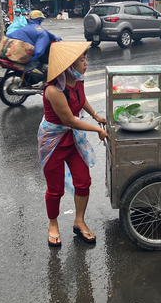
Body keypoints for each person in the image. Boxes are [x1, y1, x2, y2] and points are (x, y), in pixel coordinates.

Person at [37, 41, 108, 247]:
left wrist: (96, 115)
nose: (86, 63)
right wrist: (98, 130)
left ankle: (79, 221)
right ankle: (53, 224)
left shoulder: (77, 80)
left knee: (83, 181)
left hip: (73, 138)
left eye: (86, 58)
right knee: (55, 189)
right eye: (82, 60)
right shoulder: (53, 90)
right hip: (54, 141)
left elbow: (81, 99)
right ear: (69, 66)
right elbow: (70, 120)